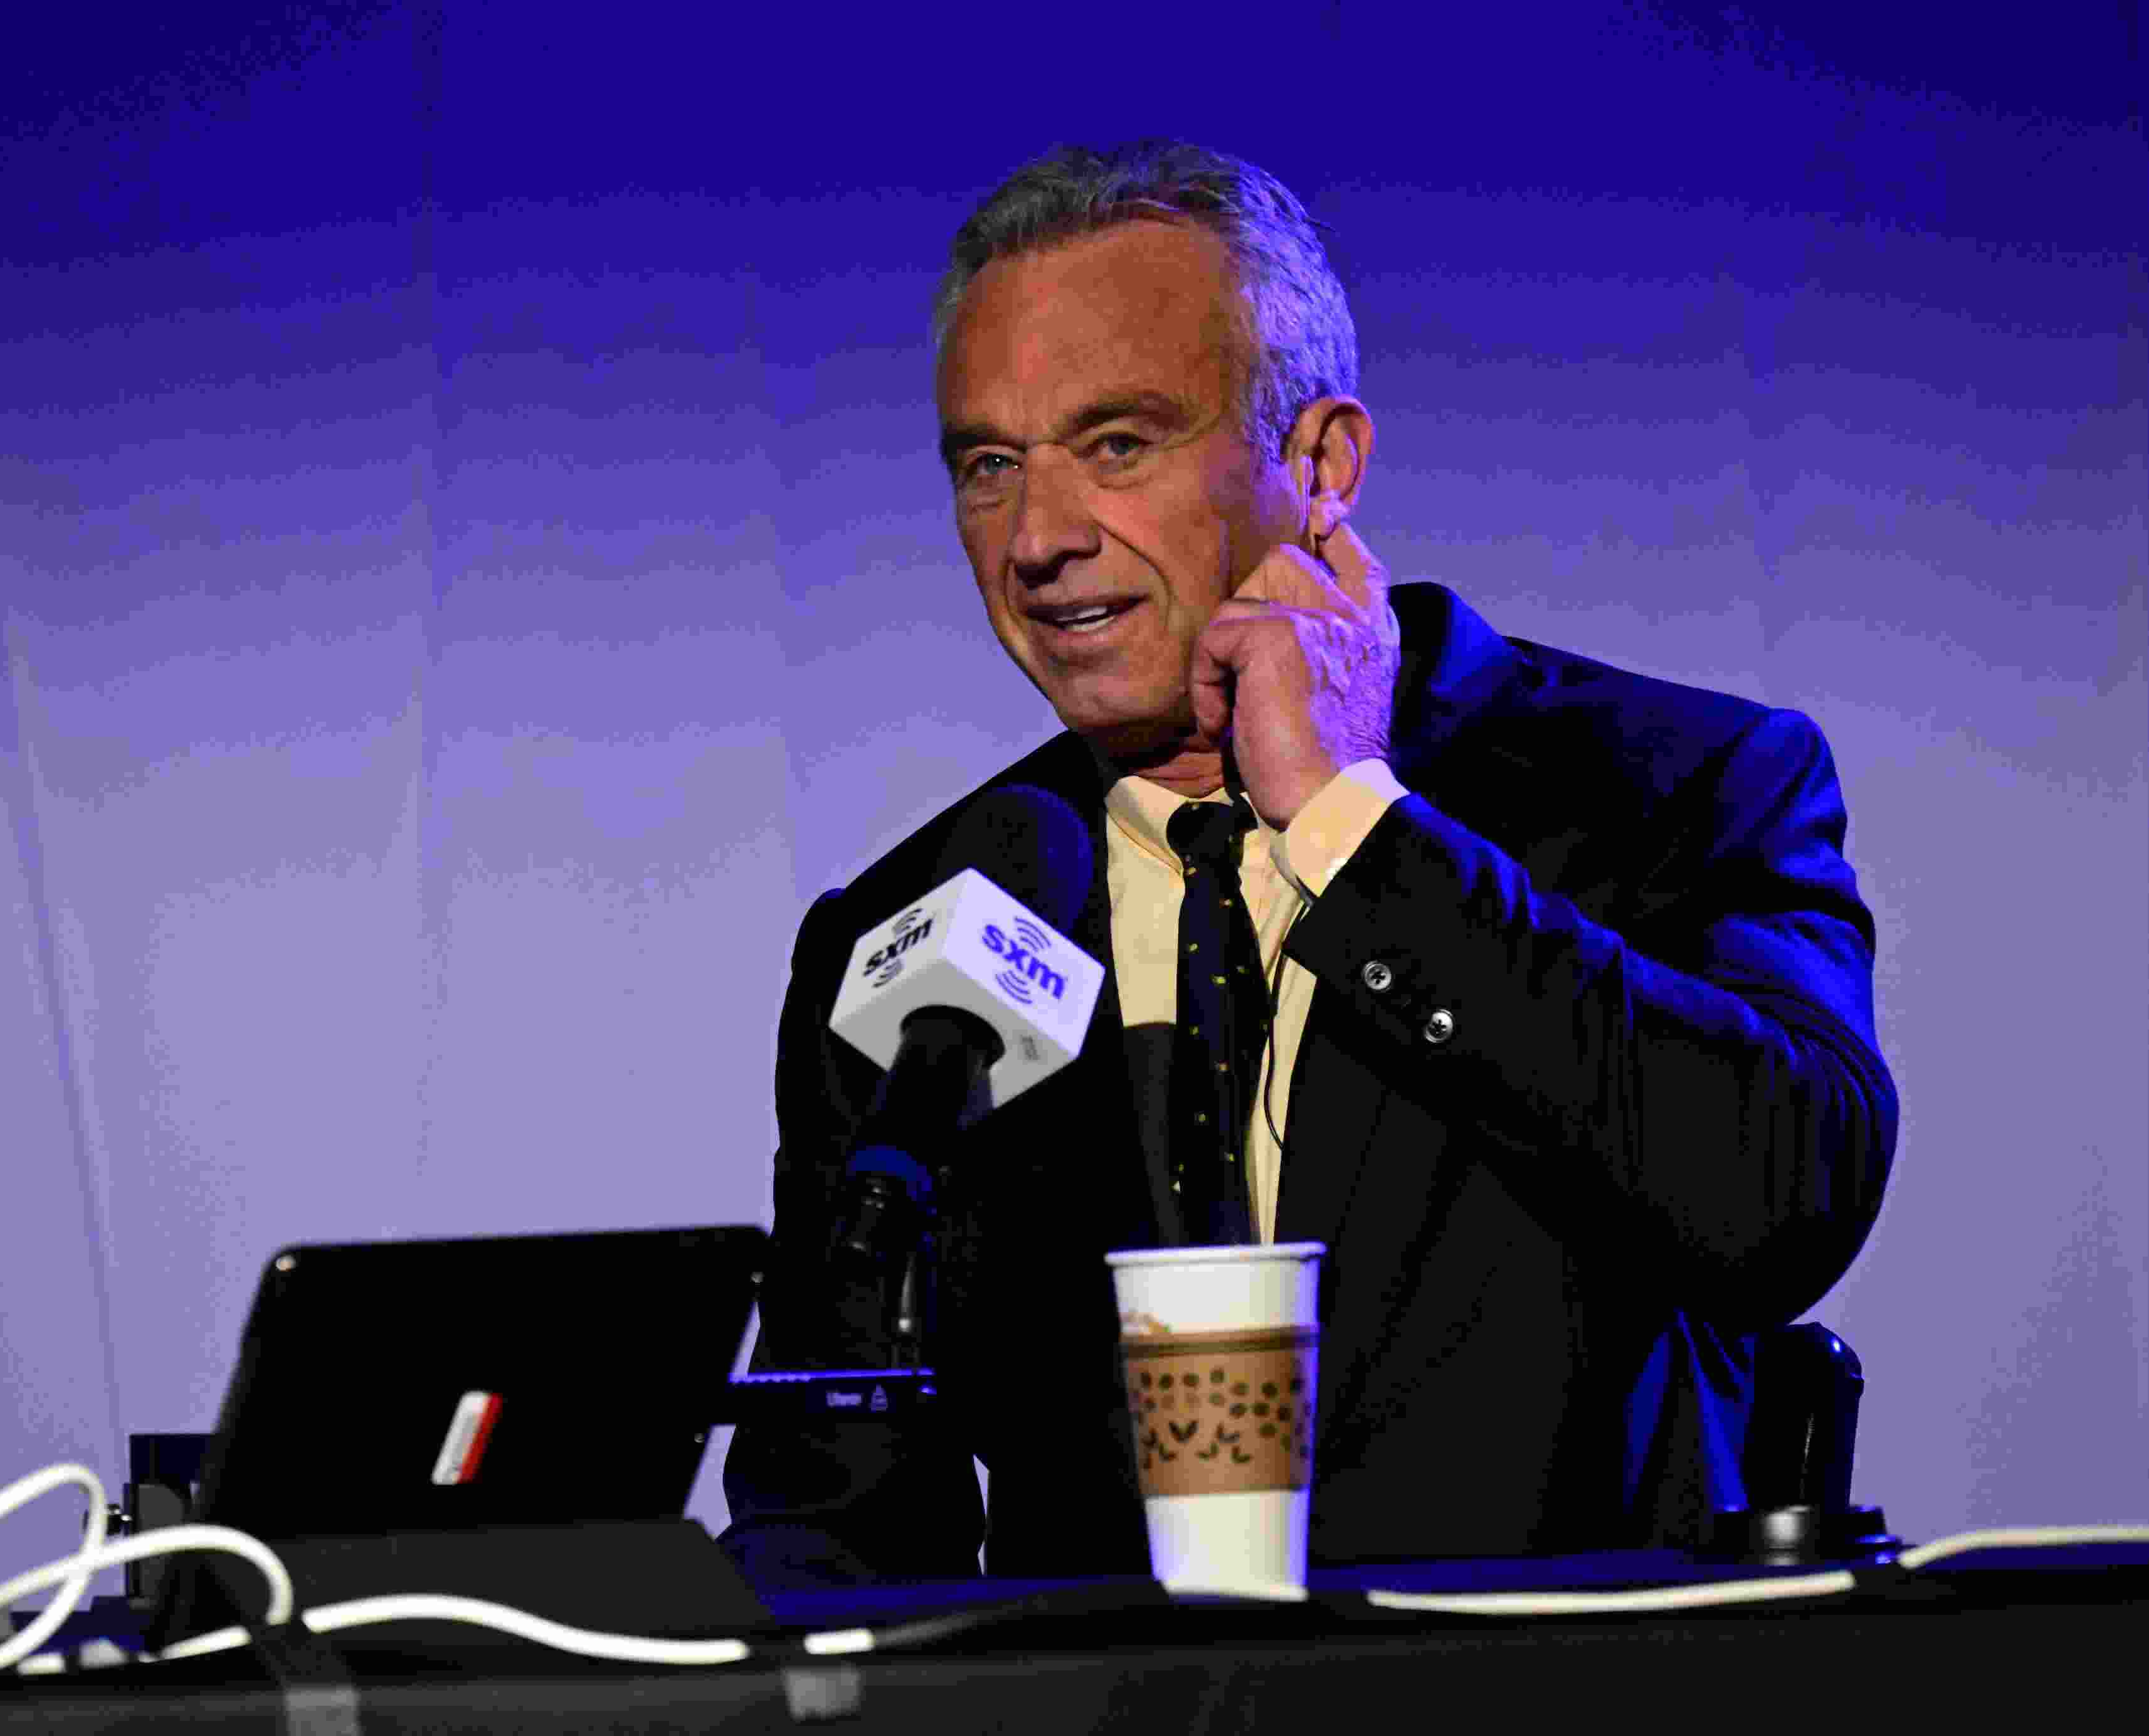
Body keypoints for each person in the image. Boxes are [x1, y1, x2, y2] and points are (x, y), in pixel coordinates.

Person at [721, 139, 1897, 1587]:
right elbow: (838, 1493)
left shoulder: (1662, 783)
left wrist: (1349, 822)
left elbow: (1783, 1197)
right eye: (989, 466)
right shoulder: (927, 925)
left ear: (1321, 462)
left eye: (1117, 444)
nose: (1037, 539)